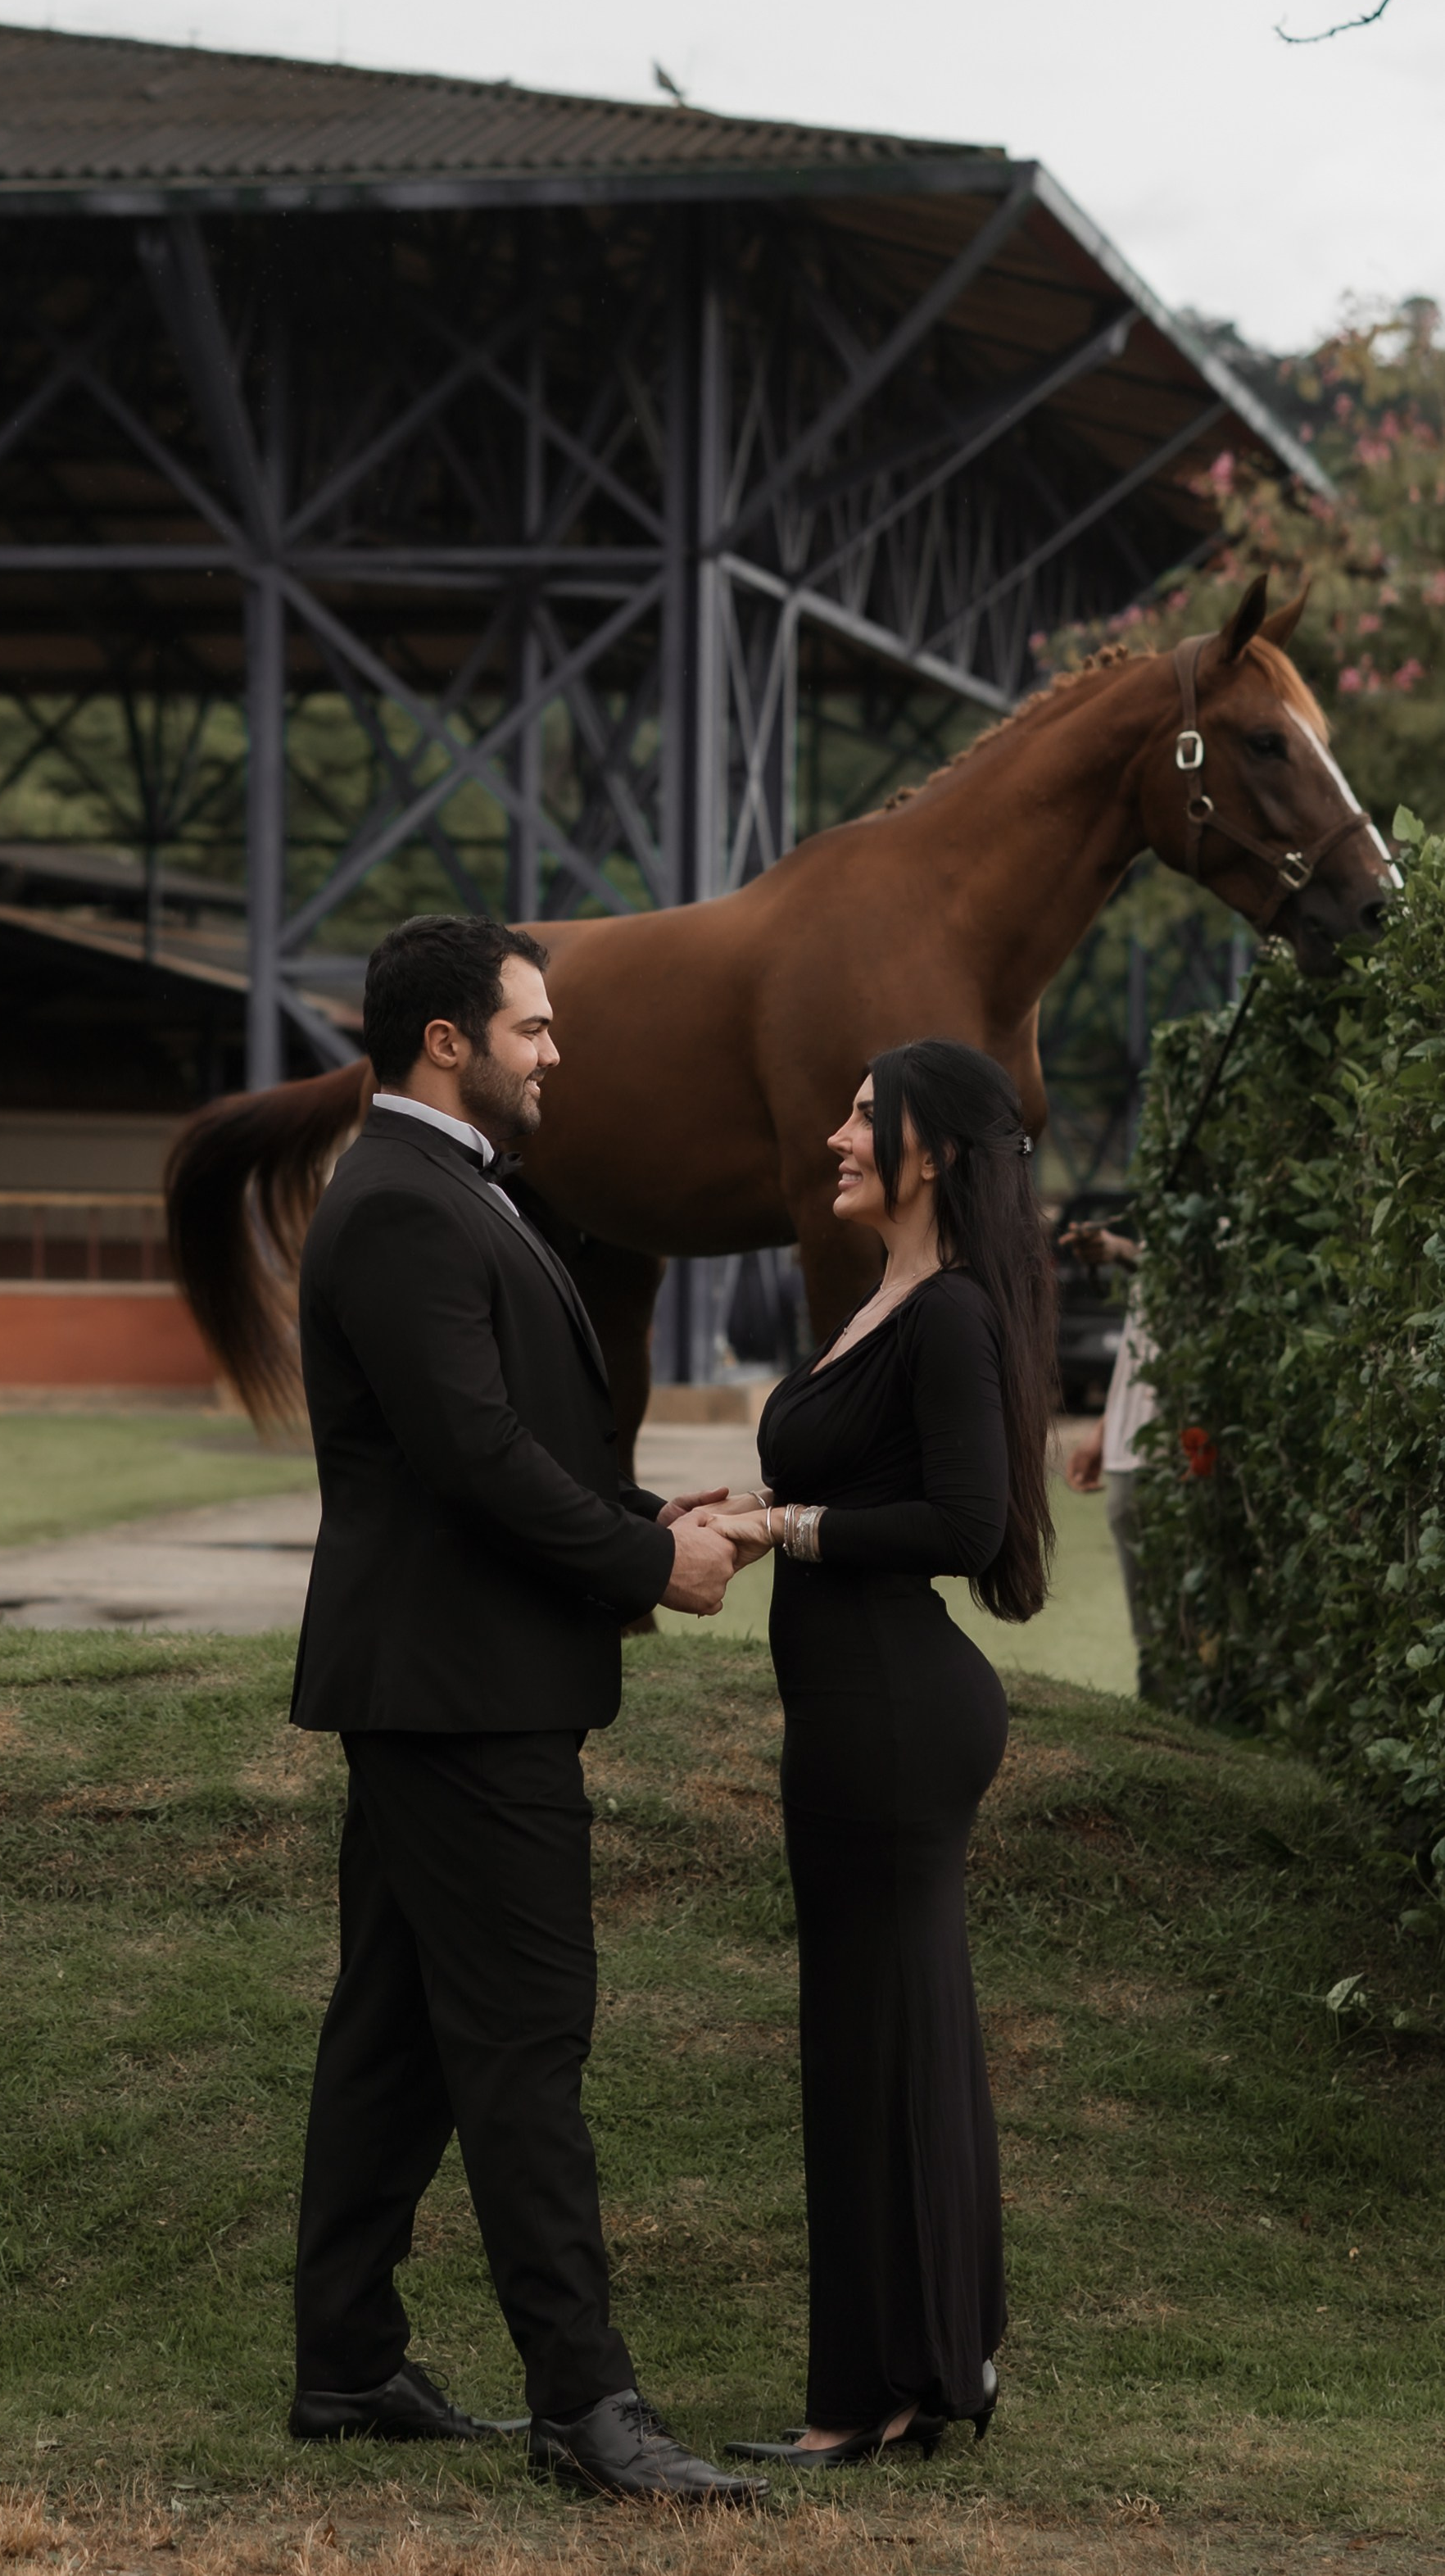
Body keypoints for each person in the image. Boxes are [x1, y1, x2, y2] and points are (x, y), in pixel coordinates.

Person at [288, 914, 769, 2506]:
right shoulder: (406, 1203)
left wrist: (647, 1501)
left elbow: (509, 1433)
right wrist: (649, 1559)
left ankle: (346, 2358)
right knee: (523, 2040)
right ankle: (588, 2405)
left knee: (396, 2037)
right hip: (460, 1693)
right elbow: (470, 1461)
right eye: (534, 1027)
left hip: (449, 1680)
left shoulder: (441, 1191)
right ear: (448, 1040)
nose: (556, 1051)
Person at [703, 1039, 1056, 2469]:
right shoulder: (883, 1303)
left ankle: (885, 2388)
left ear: (931, 1154)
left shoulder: (950, 1315)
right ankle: (916, 2367)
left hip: (897, 1719)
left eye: (865, 1117)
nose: (840, 1134)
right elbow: (862, 1481)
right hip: (857, 1713)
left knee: (881, 2045)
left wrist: (788, 1528)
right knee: (872, 2042)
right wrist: (751, 1498)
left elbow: (963, 1526)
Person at [1060, 1222, 1157, 1698]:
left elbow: (1172, 1274)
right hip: (1130, 1449)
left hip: (1182, 1451)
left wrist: (1118, 1248)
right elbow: (1143, 1336)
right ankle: (1162, 1713)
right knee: (1151, 1638)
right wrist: (1103, 1430)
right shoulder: (1169, 1206)